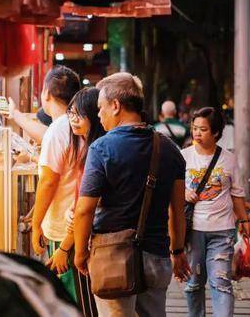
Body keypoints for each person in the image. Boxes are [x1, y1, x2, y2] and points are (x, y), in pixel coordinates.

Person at [72, 73, 191, 317]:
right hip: (157, 257)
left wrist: (80, 251)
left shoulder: (102, 148)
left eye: (101, 108)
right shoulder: (170, 149)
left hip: (112, 257)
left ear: (115, 105)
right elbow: (177, 210)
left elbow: (85, 209)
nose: (99, 115)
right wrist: (177, 252)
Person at [182, 107, 250, 317]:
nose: (197, 133)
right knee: (193, 284)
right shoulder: (183, 156)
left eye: (203, 129)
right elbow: (169, 189)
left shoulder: (228, 159)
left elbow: (237, 194)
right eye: (195, 128)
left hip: (223, 230)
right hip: (193, 230)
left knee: (221, 282)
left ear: (216, 133)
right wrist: (184, 192)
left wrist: (244, 220)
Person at [47, 87, 105, 317]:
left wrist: (65, 248)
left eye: (79, 114)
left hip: (86, 240)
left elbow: (86, 209)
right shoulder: (88, 147)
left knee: (85, 307)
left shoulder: (96, 150)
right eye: (70, 112)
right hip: (83, 235)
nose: (73, 119)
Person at [31, 65, 81, 300]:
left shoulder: (57, 130)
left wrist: (35, 224)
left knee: (68, 293)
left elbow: (48, 182)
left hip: (63, 227)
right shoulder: (80, 124)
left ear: (46, 94)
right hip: (79, 220)